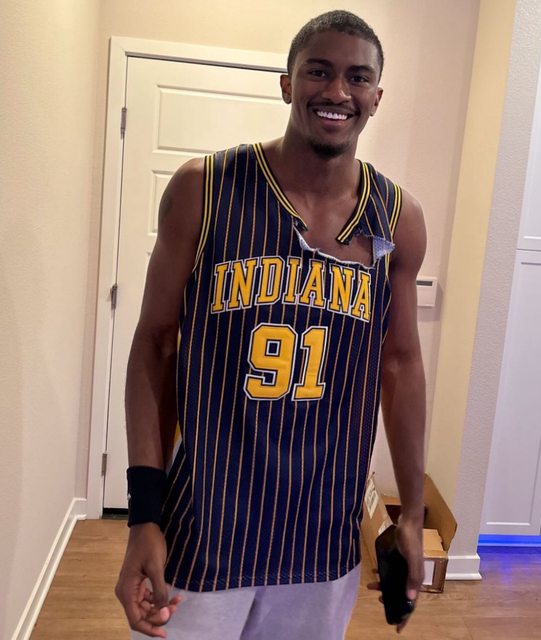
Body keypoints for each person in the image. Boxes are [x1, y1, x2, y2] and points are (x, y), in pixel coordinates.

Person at [115, 9, 427, 640]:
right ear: (287, 83)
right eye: (318, 71)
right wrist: (144, 514)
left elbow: (399, 364)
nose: (337, 91)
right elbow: (154, 344)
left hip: (323, 534)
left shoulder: (398, 217)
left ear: (376, 97)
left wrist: (413, 516)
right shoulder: (205, 189)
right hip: (206, 524)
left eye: (357, 78)